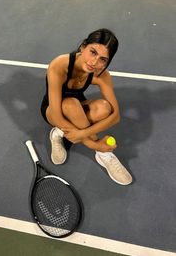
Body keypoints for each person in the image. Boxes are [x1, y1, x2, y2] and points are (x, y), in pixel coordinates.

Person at [40, 29, 132, 186]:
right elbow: (56, 114)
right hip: (52, 110)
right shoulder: (59, 65)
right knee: (70, 105)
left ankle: (59, 133)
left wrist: (82, 133)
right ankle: (103, 153)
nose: (94, 62)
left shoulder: (101, 74)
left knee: (104, 108)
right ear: (83, 47)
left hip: (77, 107)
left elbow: (115, 116)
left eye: (103, 59)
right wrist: (94, 144)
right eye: (93, 52)